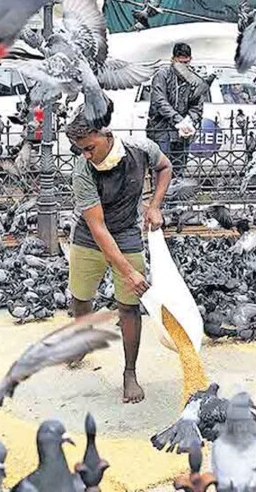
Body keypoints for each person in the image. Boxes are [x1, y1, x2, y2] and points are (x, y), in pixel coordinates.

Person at [65, 114, 173, 404]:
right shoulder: (82, 171)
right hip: (89, 237)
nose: (86, 155)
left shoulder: (141, 149)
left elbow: (165, 167)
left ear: (106, 134)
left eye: (90, 147)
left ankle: (129, 373)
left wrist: (155, 205)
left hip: (126, 233)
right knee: (81, 297)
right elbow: (98, 228)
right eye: (81, 151)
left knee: (129, 306)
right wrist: (127, 271)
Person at [147, 42, 206, 177]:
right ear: (173, 59)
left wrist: (189, 121)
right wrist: (179, 120)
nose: (183, 66)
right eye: (180, 63)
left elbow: (197, 106)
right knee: (161, 169)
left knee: (179, 169)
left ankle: (176, 197)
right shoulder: (162, 75)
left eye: (186, 63)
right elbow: (160, 101)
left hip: (182, 133)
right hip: (161, 129)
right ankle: (161, 197)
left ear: (190, 60)